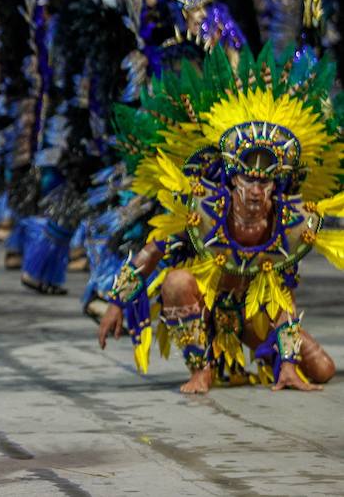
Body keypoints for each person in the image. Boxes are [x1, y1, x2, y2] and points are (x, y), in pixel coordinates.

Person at [97, 45, 343, 393]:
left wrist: (288, 364)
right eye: (248, 179)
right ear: (232, 180)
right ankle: (201, 368)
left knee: (322, 369)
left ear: (277, 185)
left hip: (252, 316)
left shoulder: (291, 223)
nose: (256, 190)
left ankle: (274, 362)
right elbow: (153, 251)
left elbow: (283, 299)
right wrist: (116, 303)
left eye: (265, 181)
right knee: (177, 282)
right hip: (203, 310)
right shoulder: (205, 211)